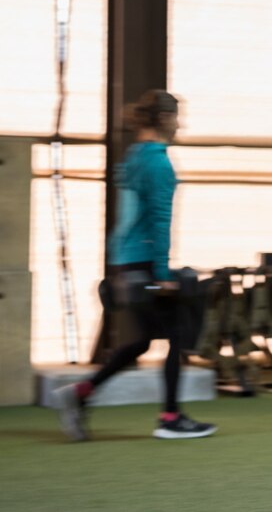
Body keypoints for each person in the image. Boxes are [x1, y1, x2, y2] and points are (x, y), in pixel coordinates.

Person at [53, 90, 217, 441]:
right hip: (144, 261)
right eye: (175, 116)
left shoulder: (134, 157)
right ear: (162, 118)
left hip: (125, 262)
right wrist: (162, 274)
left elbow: (129, 217)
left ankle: (80, 393)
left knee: (144, 340)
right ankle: (171, 417)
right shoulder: (158, 162)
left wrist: (125, 267)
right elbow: (159, 221)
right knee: (174, 335)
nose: (179, 123)